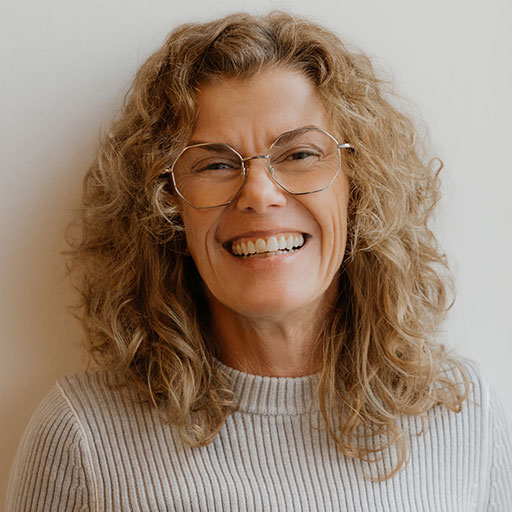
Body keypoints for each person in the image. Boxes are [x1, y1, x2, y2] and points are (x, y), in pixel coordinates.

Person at [6, 11, 512, 512]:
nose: (259, 194)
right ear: (166, 208)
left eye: (300, 154)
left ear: (359, 187)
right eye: (215, 164)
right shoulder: (83, 439)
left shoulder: (467, 416)